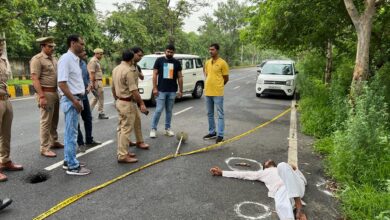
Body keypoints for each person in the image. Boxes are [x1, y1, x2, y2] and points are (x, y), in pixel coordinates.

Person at [210, 160, 308, 220]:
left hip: (296, 186)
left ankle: (298, 207)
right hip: (281, 190)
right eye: (266, 162)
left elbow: (304, 181)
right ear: (264, 166)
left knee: (283, 165)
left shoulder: (282, 167)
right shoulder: (263, 172)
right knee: (281, 205)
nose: (268, 161)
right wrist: (222, 172)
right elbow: (245, 174)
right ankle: (297, 210)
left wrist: (294, 169)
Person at [57, 34, 91, 175]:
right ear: (73, 43)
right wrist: (74, 100)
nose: (83, 46)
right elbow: (62, 83)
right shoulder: (66, 59)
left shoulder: (75, 60)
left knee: (70, 133)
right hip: (72, 100)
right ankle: (72, 166)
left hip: (76, 98)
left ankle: (68, 160)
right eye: (81, 44)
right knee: (71, 134)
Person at [112, 49, 148, 163]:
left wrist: (117, 99)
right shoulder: (128, 71)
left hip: (120, 101)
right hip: (127, 102)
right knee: (126, 129)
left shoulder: (116, 69)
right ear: (132, 58)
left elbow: (113, 87)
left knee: (122, 128)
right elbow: (134, 91)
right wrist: (141, 103)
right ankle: (122, 155)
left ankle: (123, 151)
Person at [30, 36, 64, 158]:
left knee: (54, 119)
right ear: (42, 46)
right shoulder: (37, 59)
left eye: (53, 46)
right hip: (46, 93)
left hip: (55, 92)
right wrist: (41, 96)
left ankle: (53, 141)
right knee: (46, 121)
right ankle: (44, 147)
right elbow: (35, 78)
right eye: (49, 46)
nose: (52, 48)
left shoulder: (54, 59)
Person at [0, 37, 23, 182]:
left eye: (1, 44)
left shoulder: (2, 60)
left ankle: (5, 160)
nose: (0, 47)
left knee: (5, 133)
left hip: (5, 98)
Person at [149, 44, 183, 138]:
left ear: (174, 53)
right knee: (159, 110)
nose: (169, 53)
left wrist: (181, 90)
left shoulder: (176, 63)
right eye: (168, 51)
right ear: (165, 51)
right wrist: (155, 88)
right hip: (161, 90)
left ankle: (167, 129)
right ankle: (153, 129)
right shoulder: (159, 60)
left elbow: (180, 77)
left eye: (171, 52)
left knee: (169, 111)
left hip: (172, 90)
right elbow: (155, 75)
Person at [203, 43, 229, 144]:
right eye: (209, 49)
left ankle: (220, 135)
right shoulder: (207, 62)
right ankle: (212, 132)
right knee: (209, 113)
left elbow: (226, 78)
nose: (210, 51)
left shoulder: (223, 63)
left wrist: (219, 86)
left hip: (218, 93)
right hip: (208, 92)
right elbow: (206, 74)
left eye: (212, 50)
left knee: (220, 114)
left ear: (217, 50)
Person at [77, 51, 101, 153]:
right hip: (75, 96)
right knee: (75, 121)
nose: (85, 53)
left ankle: (89, 140)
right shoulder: (70, 63)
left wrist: (89, 85)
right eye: (83, 52)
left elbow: (87, 78)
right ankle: (80, 143)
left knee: (88, 118)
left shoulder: (83, 63)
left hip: (84, 95)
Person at [127, 46, 149, 149]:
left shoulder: (136, 66)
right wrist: (142, 103)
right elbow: (133, 88)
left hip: (132, 99)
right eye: (139, 55)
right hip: (127, 98)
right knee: (126, 124)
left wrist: (139, 72)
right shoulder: (127, 67)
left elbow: (142, 77)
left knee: (136, 121)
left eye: (141, 56)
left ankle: (139, 141)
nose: (140, 57)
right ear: (133, 54)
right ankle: (124, 150)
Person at [89, 48, 108, 119]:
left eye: (102, 54)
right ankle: (101, 113)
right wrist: (93, 84)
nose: (101, 56)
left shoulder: (96, 61)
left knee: (96, 98)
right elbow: (92, 73)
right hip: (96, 81)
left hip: (98, 81)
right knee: (100, 98)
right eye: (100, 54)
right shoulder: (93, 61)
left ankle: (89, 112)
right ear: (96, 54)